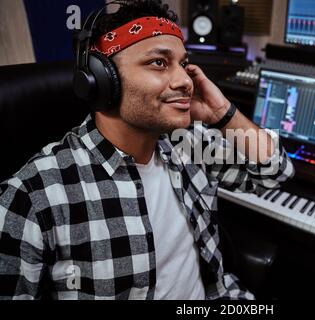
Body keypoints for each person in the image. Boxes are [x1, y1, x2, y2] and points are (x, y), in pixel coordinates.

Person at [0, 0, 294, 300]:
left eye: (183, 63)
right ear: (102, 79)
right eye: (159, 62)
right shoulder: (34, 197)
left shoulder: (187, 143)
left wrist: (222, 113)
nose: (184, 81)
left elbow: (275, 171)